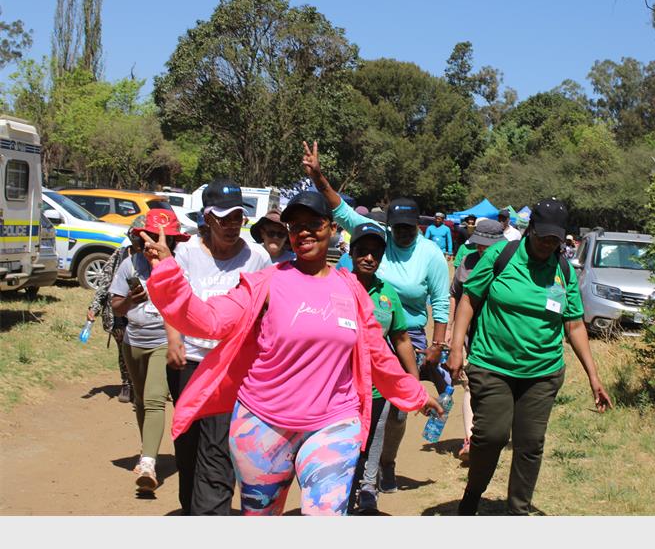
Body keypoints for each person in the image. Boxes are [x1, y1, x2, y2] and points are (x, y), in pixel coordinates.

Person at [141, 190, 443, 515]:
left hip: (334, 422)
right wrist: (167, 272)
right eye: (296, 226)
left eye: (314, 223)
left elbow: (377, 353)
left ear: (332, 228)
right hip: (262, 423)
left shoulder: (351, 290)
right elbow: (208, 320)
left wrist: (413, 393)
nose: (304, 232)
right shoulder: (264, 283)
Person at [302, 141, 450, 495]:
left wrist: (436, 345)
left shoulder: (430, 254)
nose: (402, 233)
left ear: (418, 226)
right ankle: (354, 470)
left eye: (408, 228)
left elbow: (441, 302)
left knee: (397, 410)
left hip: (407, 332)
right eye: (397, 227)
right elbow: (341, 211)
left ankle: (386, 462)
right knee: (357, 400)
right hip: (361, 328)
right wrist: (318, 176)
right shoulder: (377, 239)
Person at [447, 197, 612, 515]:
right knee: (491, 435)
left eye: (555, 239)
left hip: (542, 372)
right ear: (530, 229)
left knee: (530, 443)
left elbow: (574, 324)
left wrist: (594, 377)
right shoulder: (502, 255)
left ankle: (518, 511)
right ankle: (473, 493)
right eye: (543, 237)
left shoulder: (562, 269)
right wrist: (456, 347)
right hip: (492, 364)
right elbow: (469, 299)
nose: (548, 244)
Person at [165, 178, 271, 516]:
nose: (231, 225)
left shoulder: (257, 258)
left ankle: (211, 517)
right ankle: (190, 509)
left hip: (231, 368)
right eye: (223, 218)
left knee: (218, 447)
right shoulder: (187, 252)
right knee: (187, 444)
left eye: (237, 217)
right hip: (191, 362)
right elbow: (175, 298)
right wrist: (174, 339)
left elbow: (267, 309)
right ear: (207, 218)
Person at [108, 209, 190, 492]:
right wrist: (131, 300)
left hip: (163, 341)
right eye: (149, 237)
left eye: (163, 238)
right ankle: (148, 450)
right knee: (141, 400)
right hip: (133, 342)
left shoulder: (181, 266)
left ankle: (148, 464)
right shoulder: (129, 265)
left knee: (155, 399)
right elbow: (116, 307)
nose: (154, 243)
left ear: (174, 241)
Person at [344, 222, 419, 514]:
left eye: (375, 253)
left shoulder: (388, 294)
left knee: (375, 436)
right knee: (348, 440)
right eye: (362, 251)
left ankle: (368, 488)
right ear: (351, 252)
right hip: (341, 386)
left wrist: (412, 379)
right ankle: (344, 487)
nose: (369, 258)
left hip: (378, 385)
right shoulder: (337, 285)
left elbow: (400, 338)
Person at [445, 219, 505, 464]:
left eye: (486, 245)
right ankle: (470, 439)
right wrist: (451, 330)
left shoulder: (508, 262)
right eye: (478, 243)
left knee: (495, 386)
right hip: (470, 332)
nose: (481, 248)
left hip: (498, 335)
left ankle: (490, 435)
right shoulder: (468, 262)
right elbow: (455, 295)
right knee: (470, 383)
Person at [87, 214, 146, 404]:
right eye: (136, 238)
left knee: (142, 350)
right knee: (123, 351)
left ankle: (143, 385)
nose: (140, 243)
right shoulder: (120, 256)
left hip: (144, 314)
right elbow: (104, 284)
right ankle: (127, 383)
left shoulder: (153, 258)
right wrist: (94, 308)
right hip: (119, 312)